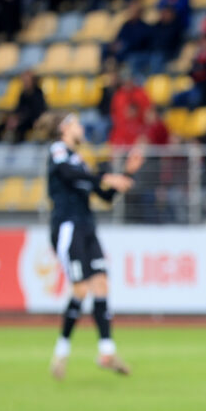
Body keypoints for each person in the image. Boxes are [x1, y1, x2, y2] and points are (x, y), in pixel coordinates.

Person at [38, 111, 144, 380]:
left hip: (87, 227)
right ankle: (61, 353)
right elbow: (69, 173)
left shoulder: (80, 160)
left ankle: (106, 351)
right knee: (81, 288)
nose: (81, 128)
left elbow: (104, 196)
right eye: (76, 123)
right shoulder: (58, 151)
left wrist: (126, 174)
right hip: (68, 227)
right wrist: (108, 177)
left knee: (101, 284)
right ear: (64, 128)